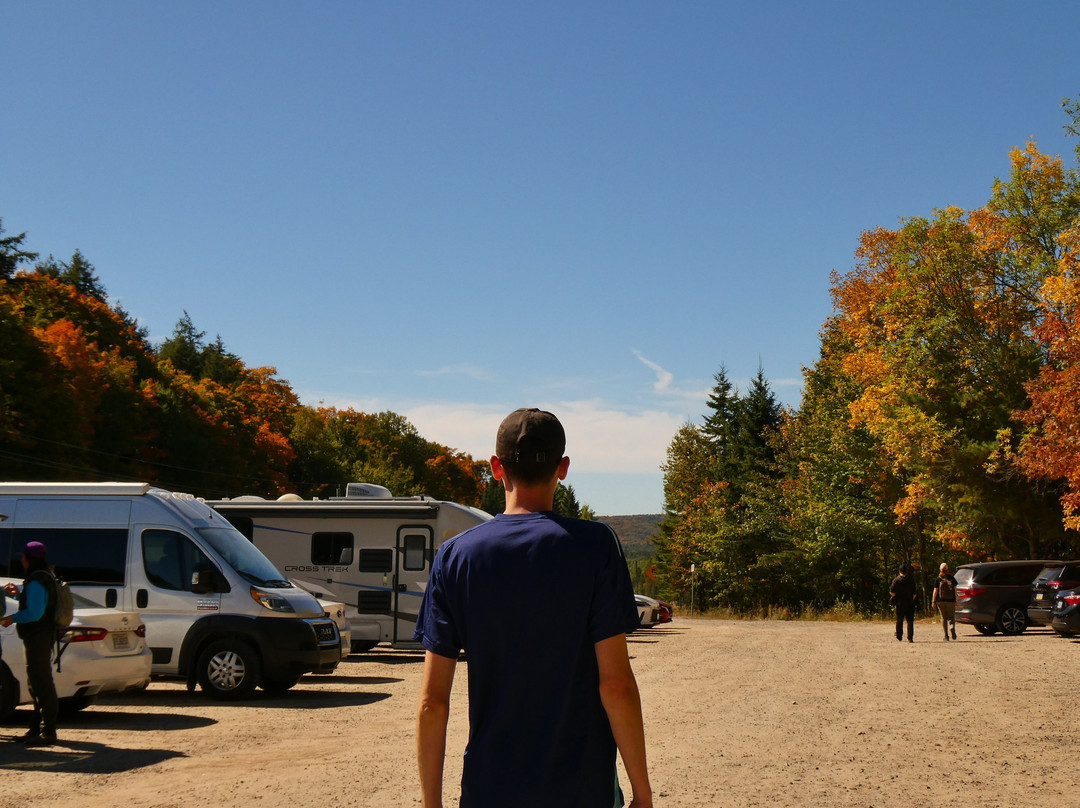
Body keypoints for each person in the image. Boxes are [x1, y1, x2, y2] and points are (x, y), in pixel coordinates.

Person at [414, 408, 652, 808]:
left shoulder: (456, 557)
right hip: (581, 790)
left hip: (490, 792)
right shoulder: (595, 547)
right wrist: (643, 795)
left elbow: (431, 702)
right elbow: (616, 685)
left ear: (495, 467)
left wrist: (430, 804)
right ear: (562, 468)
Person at [1, 541, 60, 745]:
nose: (22, 561)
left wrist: (12, 618)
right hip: (42, 635)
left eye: (23, 557)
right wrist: (19, 595)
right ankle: (36, 729)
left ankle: (48, 730)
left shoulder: (36, 580)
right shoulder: (44, 576)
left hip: (38, 636)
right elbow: (37, 605)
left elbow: (35, 613)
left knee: (41, 682)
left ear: (27, 559)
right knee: (36, 682)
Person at [889, 563, 917, 643]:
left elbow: (892, 592)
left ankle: (899, 635)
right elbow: (915, 593)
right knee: (910, 620)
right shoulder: (911, 579)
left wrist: (896, 597)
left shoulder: (896, 580)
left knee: (900, 619)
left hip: (900, 603)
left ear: (899, 571)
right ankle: (910, 637)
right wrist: (911, 599)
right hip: (910, 603)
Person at [932, 562, 958, 641]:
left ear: (940, 569)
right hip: (951, 600)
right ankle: (952, 626)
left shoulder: (938, 579)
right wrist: (956, 600)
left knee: (943, 618)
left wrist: (933, 601)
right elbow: (955, 590)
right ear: (948, 569)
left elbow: (935, 591)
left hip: (941, 600)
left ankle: (946, 636)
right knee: (951, 617)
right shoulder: (952, 578)